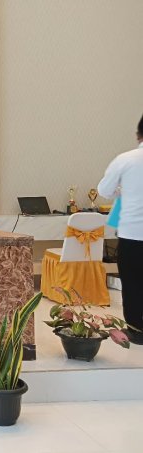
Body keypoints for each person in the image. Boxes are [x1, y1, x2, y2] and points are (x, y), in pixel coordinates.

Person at [98, 114, 143, 345]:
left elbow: (104, 190)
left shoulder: (126, 160)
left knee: (133, 283)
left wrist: (122, 191)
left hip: (133, 235)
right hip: (131, 233)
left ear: (138, 135)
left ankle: (137, 330)